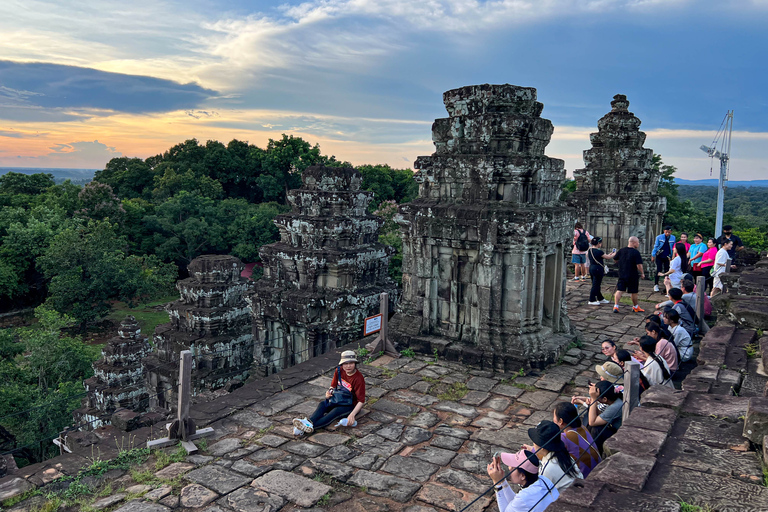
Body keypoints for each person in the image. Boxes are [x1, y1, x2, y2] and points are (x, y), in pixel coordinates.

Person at [293, 350, 365, 435]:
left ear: (355, 364)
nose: (348, 366)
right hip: (337, 398)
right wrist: (329, 392)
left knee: (334, 413)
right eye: (345, 363)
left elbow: (361, 401)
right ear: (342, 364)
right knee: (322, 404)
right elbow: (333, 386)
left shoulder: (358, 378)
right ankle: (307, 424)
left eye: (351, 363)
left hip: (350, 405)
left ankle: (309, 427)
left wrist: (352, 414)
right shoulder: (339, 371)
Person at [487, 449, 558, 512]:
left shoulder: (524, 497)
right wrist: (502, 481)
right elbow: (514, 504)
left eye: (513, 467)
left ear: (522, 476)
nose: (509, 468)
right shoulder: (543, 480)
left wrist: (497, 483)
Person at [522, 421, 583, 491]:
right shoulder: (563, 455)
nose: (533, 443)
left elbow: (540, 491)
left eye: (535, 441)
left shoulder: (547, 469)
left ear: (542, 448)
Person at [553, 402, 601, 478]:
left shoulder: (564, 438)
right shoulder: (582, 428)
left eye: (554, 417)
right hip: (597, 470)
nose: (553, 419)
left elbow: (547, 452)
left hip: (584, 477)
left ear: (561, 421)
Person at [586, 380, 623, 454]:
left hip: (619, 435)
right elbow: (600, 417)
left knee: (596, 429)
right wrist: (592, 405)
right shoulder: (615, 401)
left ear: (604, 399)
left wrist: (593, 400)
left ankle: (594, 453)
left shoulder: (615, 407)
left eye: (597, 397)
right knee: (592, 426)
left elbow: (592, 422)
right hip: (614, 427)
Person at [613, 236, 646, 314]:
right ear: (634, 243)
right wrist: (642, 273)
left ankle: (616, 306)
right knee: (634, 292)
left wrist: (620, 264)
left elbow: (615, 258)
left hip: (622, 273)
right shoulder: (636, 252)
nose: (638, 244)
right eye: (638, 242)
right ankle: (635, 306)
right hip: (632, 274)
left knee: (620, 290)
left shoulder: (621, 250)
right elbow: (639, 265)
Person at [587, 237, 615, 305]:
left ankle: (600, 298)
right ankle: (592, 299)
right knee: (595, 284)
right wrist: (614, 254)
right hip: (597, 269)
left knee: (596, 284)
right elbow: (607, 257)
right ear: (598, 243)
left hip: (592, 268)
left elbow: (604, 256)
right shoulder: (599, 251)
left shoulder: (590, 250)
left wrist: (610, 254)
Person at [651, 226, 676, 293]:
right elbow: (656, 246)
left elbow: (673, 247)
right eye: (666, 232)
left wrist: (672, 256)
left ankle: (667, 285)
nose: (668, 233)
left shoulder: (673, 238)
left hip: (668, 256)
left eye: (669, 232)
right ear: (664, 231)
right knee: (658, 269)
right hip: (659, 255)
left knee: (667, 270)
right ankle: (656, 284)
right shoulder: (659, 237)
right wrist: (653, 255)